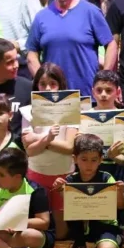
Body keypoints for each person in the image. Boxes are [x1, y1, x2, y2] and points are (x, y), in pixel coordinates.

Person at [27, 0, 116, 96]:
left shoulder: (90, 12)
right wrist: (42, 82)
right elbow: (31, 54)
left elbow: (111, 44)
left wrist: (104, 79)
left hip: (86, 93)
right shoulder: (41, 16)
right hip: (53, 96)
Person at [21, 63, 78, 238]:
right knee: (39, 223)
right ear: (36, 85)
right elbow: (29, 151)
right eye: (43, 84)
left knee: (61, 232)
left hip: (63, 174)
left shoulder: (71, 109)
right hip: (36, 174)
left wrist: (38, 139)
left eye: (53, 84)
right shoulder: (27, 112)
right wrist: (48, 139)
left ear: (60, 85)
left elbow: (69, 147)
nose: (47, 88)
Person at [53, 133, 124, 248]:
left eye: (94, 160)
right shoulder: (70, 180)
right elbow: (69, 205)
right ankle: (79, 243)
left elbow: (121, 205)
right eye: (84, 159)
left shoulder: (107, 178)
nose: (89, 164)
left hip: (105, 225)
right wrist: (60, 189)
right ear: (75, 159)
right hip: (81, 227)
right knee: (69, 210)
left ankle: (114, 239)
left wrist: (120, 192)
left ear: (100, 160)